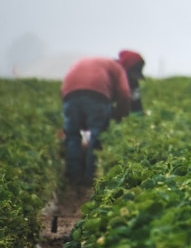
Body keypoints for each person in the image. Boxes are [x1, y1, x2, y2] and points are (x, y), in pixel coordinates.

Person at [60, 56, 131, 187]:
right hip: (97, 93)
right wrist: (120, 115)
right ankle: (90, 179)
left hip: (69, 93)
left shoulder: (82, 61)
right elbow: (125, 94)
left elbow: (64, 88)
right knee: (97, 136)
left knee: (72, 136)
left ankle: (73, 177)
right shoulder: (118, 68)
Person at [117, 50, 146, 116]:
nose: (133, 79)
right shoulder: (112, 74)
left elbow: (136, 101)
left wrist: (139, 114)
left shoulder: (133, 83)